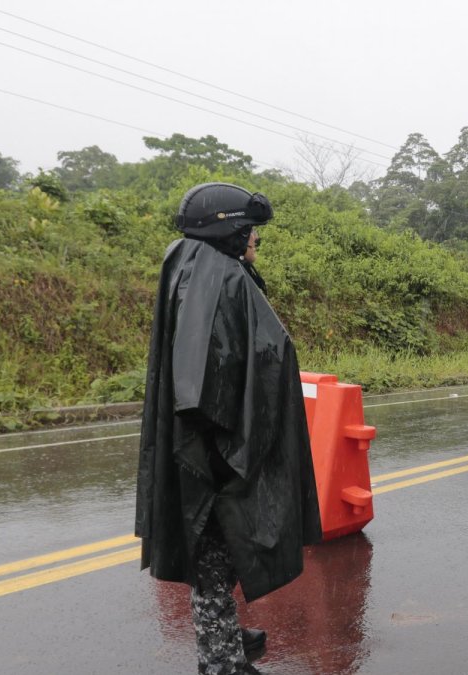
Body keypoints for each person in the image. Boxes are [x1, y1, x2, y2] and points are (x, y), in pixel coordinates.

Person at [135, 182, 322, 675]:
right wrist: (232, 458)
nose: (255, 239)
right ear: (229, 230)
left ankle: (223, 633)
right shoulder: (217, 281)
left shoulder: (195, 265)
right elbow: (204, 386)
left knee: (218, 555)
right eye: (250, 230)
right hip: (213, 453)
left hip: (209, 446)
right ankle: (220, 661)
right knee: (215, 553)